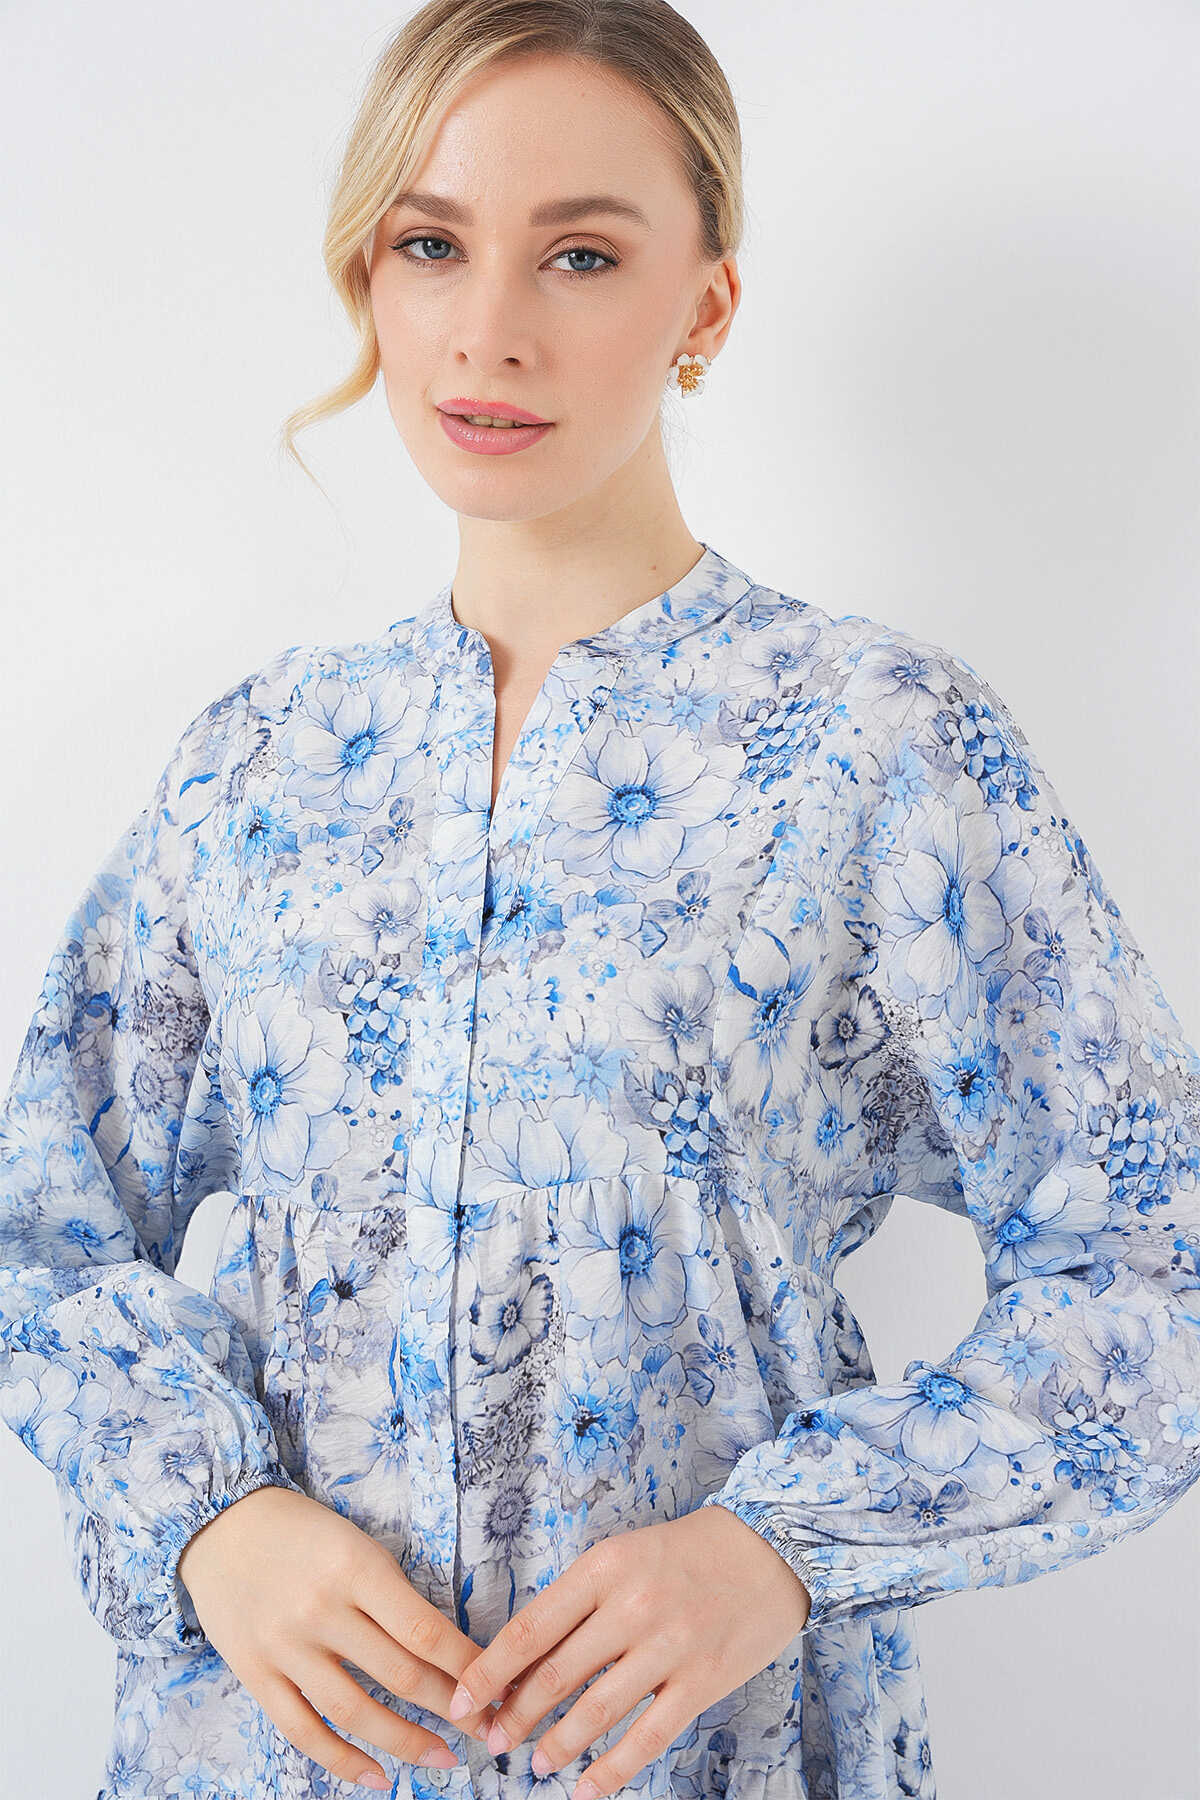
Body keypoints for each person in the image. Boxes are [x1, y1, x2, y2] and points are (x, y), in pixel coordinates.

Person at [3, 3, 1199, 1797]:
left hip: (697, 1755)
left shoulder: (872, 742)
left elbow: (1155, 1268)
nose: (488, 329)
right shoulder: (255, 765)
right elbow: (38, 1218)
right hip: (260, 1757)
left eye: (580, 254)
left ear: (706, 305)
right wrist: (209, 1515)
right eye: (431, 245)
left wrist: (779, 1548)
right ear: (370, 277)